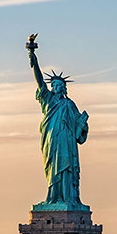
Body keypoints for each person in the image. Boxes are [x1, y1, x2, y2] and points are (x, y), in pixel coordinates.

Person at [28, 44, 89, 206]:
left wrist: (82, 124)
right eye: (54, 85)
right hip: (51, 139)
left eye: (60, 86)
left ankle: (69, 198)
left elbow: (79, 133)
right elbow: (40, 81)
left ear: (64, 88)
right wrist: (33, 57)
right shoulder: (47, 99)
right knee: (53, 168)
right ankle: (53, 197)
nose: (57, 87)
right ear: (51, 88)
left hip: (67, 142)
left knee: (67, 168)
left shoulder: (70, 104)